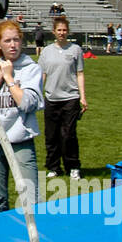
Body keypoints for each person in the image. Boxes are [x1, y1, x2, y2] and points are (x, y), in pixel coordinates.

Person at [0, 19, 43, 211]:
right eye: (7, 41)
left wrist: (9, 78)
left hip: (21, 142)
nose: (12, 45)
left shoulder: (32, 70)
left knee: (31, 201)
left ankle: (32, 239)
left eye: (16, 40)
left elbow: (27, 103)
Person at [39, 15, 87, 180]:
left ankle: (73, 166)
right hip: (51, 99)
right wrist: (38, 94)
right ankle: (53, 167)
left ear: (68, 31)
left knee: (68, 135)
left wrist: (83, 97)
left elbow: (80, 74)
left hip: (70, 98)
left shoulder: (75, 50)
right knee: (51, 135)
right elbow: (42, 75)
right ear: (54, 32)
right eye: (59, 30)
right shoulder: (46, 52)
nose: (62, 33)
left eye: (64, 30)